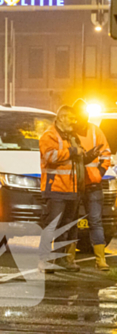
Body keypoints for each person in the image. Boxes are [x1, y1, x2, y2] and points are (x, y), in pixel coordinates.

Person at [38, 105, 82, 273]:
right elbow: (50, 157)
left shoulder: (70, 137)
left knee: (67, 227)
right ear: (62, 118)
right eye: (71, 118)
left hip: (71, 189)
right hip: (55, 188)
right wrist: (72, 151)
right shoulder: (49, 136)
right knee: (52, 225)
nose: (74, 122)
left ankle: (61, 260)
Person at [72, 99, 112, 271]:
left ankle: (100, 260)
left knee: (95, 221)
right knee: (72, 221)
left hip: (92, 184)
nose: (84, 117)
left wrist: (99, 173)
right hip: (74, 184)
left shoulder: (95, 131)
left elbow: (106, 154)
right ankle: (69, 259)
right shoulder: (68, 133)